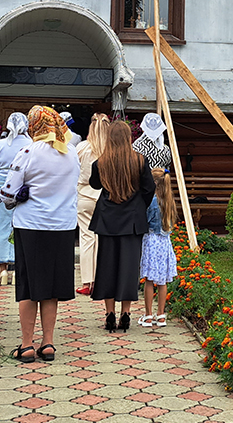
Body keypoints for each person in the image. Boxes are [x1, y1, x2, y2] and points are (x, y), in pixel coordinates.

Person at [0, 106, 80, 363]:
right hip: (63, 226)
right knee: (51, 287)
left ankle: (26, 345)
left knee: (29, 285)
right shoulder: (71, 153)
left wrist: (17, 197)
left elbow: (7, 194)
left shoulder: (27, 152)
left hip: (31, 225)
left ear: (34, 126)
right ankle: (48, 342)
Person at [88, 121, 155, 332]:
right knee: (128, 266)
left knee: (107, 265)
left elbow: (94, 184)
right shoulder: (140, 161)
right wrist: (137, 206)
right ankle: (126, 313)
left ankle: (109, 313)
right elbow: (149, 188)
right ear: (128, 138)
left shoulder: (100, 162)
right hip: (132, 220)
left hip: (107, 218)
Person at [0, 113, 31, 285]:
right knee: (22, 224)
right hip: (24, 187)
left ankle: (3, 270)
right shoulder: (32, 144)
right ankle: (19, 267)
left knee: (1, 225)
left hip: (2, 187)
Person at [138, 167, 179, 328]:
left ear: (154, 182)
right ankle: (161, 315)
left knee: (149, 280)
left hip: (151, 241)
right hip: (165, 242)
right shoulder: (169, 199)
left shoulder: (152, 200)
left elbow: (146, 220)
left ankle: (148, 315)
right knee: (162, 281)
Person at [75, 114, 111, 296]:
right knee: (103, 240)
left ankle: (88, 282)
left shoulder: (81, 148)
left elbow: (73, 170)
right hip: (105, 197)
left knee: (87, 239)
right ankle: (102, 280)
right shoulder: (111, 149)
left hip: (84, 196)